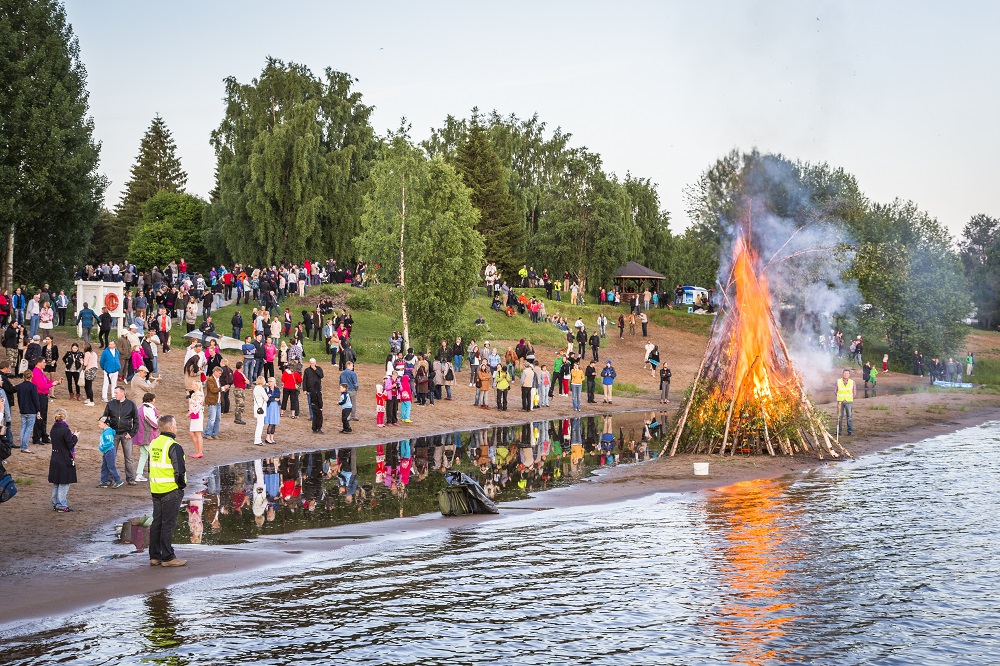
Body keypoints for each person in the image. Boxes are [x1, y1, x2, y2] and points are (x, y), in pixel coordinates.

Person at [148, 414, 187, 567]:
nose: (176, 428)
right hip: (170, 489)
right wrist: (181, 485)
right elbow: (179, 470)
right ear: (170, 428)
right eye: (175, 425)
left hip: (156, 488)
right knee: (168, 524)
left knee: (157, 522)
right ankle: (168, 557)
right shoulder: (173, 446)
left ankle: (155, 556)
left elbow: (150, 465)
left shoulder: (154, 443)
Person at [100, 384, 139, 482]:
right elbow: (105, 417)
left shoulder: (131, 404)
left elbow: (136, 420)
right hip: (113, 434)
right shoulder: (110, 404)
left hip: (126, 434)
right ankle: (109, 479)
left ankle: (130, 479)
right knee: (110, 457)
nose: (115, 394)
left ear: (123, 393)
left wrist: (132, 433)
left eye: (116, 393)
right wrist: (107, 427)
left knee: (128, 458)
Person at [48, 408, 77, 510]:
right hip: (64, 458)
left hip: (55, 458)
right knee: (64, 482)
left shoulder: (53, 429)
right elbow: (70, 445)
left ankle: (55, 503)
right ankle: (61, 505)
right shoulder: (65, 430)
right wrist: (75, 437)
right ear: (65, 417)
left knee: (56, 482)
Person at [134, 392, 159, 482]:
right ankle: (153, 475)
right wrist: (159, 420)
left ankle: (139, 475)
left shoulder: (141, 408)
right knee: (153, 455)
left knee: (143, 455)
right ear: (151, 400)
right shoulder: (148, 409)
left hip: (141, 435)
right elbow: (154, 424)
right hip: (148, 436)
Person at [303, 358, 324, 434]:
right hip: (309, 390)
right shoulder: (307, 370)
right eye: (311, 363)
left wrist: (315, 370)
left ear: (315, 363)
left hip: (317, 390)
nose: (312, 364)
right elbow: (304, 380)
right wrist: (304, 389)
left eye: (313, 363)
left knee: (318, 402)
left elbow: (321, 376)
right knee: (310, 403)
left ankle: (316, 415)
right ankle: (312, 415)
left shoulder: (319, 368)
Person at [204, 366, 224, 440]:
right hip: (212, 402)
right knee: (212, 419)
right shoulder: (210, 379)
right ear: (215, 372)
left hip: (217, 401)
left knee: (217, 419)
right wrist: (222, 388)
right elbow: (212, 390)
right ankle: (207, 434)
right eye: (219, 373)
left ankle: (214, 434)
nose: (220, 375)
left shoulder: (217, 379)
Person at [836, 368, 855, 436]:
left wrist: (849, 397)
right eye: (844, 373)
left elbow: (854, 392)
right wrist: (840, 397)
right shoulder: (838, 381)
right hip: (840, 401)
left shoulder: (852, 382)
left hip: (848, 401)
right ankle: (839, 431)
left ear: (849, 375)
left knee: (849, 416)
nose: (846, 374)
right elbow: (835, 391)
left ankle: (850, 431)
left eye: (847, 373)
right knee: (839, 416)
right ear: (843, 374)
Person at [188, 384, 204, 457]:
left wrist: (191, 412)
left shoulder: (200, 394)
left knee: (197, 433)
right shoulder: (193, 394)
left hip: (198, 414)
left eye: (193, 385)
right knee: (192, 433)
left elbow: (199, 405)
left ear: (197, 386)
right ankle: (197, 451)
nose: (192, 386)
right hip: (194, 414)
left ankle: (199, 452)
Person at [264, 376, 280, 444]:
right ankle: (267, 437)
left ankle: (272, 437)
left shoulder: (277, 389)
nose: (269, 382)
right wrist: (273, 398)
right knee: (270, 422)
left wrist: (271, 397)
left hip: (275, 406)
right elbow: (266, 397)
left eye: (270, 381)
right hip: (269, 406)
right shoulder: (266, 389)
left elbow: (278, 396)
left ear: (274, 382)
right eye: (268, 381)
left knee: (274, 423)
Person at [252, 376, 267, 446]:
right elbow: (266, 398)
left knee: (259, 424)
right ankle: (257, 440)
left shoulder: (255, 388)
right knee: (260, 425)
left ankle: (257, 439)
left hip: (256, 407)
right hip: (261, 408)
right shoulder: (261, 389)